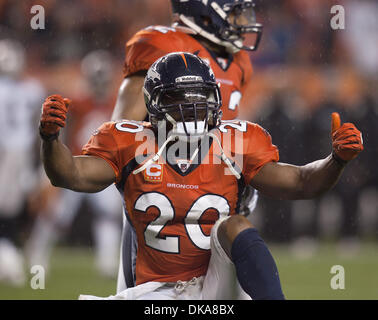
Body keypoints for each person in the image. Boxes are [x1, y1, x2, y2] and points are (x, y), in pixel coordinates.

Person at [39, 52, 363, 300]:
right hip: (152, 292)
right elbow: (69, 174)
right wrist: (51, 138)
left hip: (214, 288)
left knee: (235, 225)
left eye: (200, 97)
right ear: (154, 103)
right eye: (179, 99)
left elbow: (302, 182)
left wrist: (336, 160)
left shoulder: (234, 142)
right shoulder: (130, 140)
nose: (193, 107)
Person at [112, 0, 263, 292]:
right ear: (205, 13)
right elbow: (121, 133)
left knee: (228, 291)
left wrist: (240, 171)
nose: (243, 21)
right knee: (147, 288)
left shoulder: (239, 61)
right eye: (234, 13)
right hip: (161, 189)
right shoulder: (162, 45)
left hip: (215, 187)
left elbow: (225, 124)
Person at [26, 50, 122, 278]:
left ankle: (107, 262)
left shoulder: (116, 102)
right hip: (75, 165)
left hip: (102, 166)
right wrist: (52, 164)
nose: (99, 83)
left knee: (107, 215)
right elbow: (59, 131)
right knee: (56, 215)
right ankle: (37, 255)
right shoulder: (77, 102)